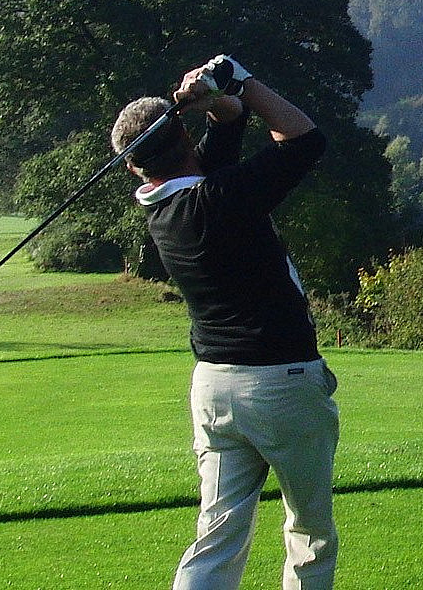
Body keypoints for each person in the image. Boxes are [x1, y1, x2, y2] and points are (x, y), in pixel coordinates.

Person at [110, 55, 338, 590]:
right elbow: (305, 140)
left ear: (132, 167)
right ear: (183, 140)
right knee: (310, 533)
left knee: (217, 535)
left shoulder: (167, 208)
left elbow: (227, 131)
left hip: (214, 388)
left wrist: (218, 106)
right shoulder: (220, 196)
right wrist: (243, 78)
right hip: (281, 384)